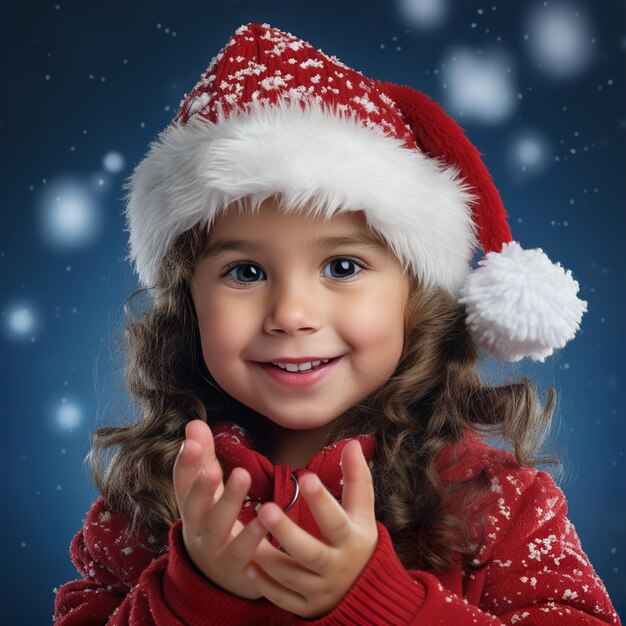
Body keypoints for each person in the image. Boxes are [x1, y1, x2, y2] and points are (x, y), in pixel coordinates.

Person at [54, 23, 620, 625]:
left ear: (415, 292)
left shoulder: (498, 506)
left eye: (342, 265)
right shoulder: (138, 509)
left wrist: (379, 604)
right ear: (187, 301)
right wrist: (194, 595)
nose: (292, 315)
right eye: (244, 272)